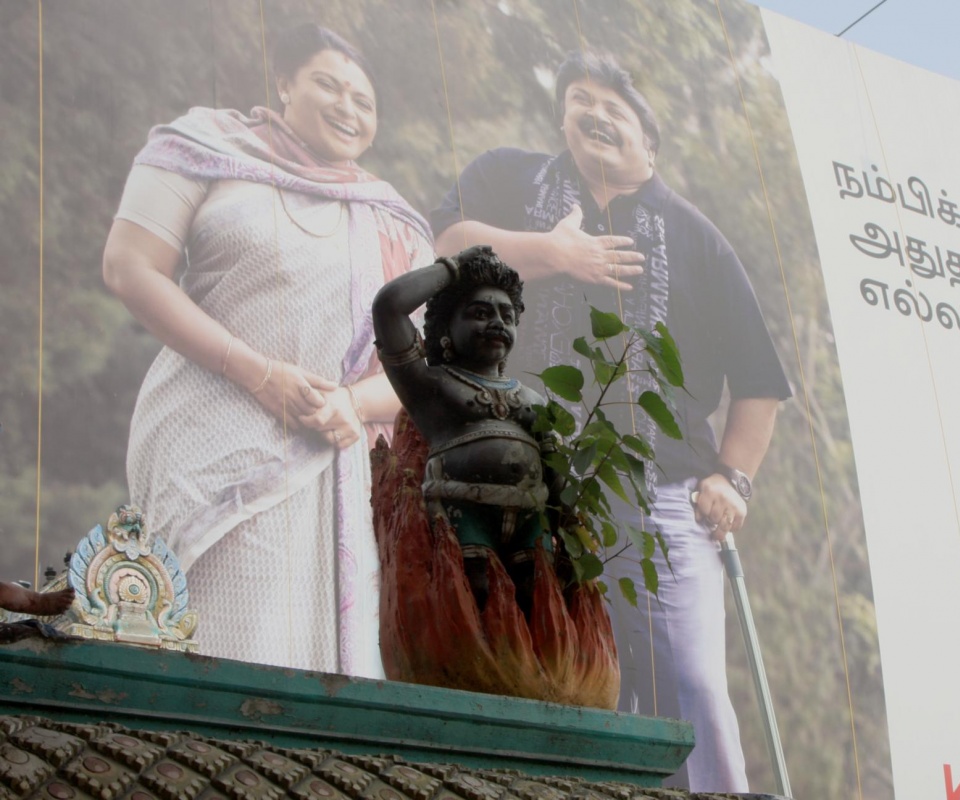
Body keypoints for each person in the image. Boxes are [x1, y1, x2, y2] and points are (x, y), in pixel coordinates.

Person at [428, 51, 791, 792]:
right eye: (580, 100)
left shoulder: (698, 238)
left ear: (648, 142)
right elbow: (447, 242)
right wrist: (553, 254)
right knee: (536, 663)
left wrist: (734, 478)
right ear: (561, 117)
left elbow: (760, 382)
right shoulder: (512, 176)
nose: (593, 113)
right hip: (518, 478)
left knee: (689, 683)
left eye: (613, 107)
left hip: (664, 497)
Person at [101, 23, 434, 678]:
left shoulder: (392, 220)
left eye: (363, 101)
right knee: (226, 649)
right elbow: (129, 266)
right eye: (328, 85)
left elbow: (422, 363)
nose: (347, 107)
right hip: (210, 442)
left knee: (322, 674)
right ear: (284, 83)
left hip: (334, 456)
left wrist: (350, 403)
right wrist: (256, 374)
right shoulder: (204, 148)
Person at [372, 246, 553, 616]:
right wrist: (454, 269)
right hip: (462, 511)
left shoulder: (533, 398)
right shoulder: (431, 386)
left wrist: (572, 519)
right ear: (445, 331)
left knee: (540, 602)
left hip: (532, 519)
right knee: (473, 600)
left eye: (507, 316)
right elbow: (389, 307)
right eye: (480, 313)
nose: (497, 323)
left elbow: (556, 468)